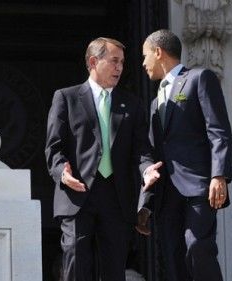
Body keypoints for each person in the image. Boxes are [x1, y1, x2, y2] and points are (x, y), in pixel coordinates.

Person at [45, 37, 161, 281]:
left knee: (114, 269)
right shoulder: (65, 98)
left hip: (116, 199)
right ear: (93, 62)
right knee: (76, 264)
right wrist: (61, 173)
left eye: (122, 63)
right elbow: (54, 149)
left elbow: (141, 150)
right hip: (77, 194)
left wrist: (147, 170)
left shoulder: (132, 104)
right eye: (114, 61)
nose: (120, 67)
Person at [138, 29, 232, 281]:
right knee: (173, 257)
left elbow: (219, 131)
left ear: (158, 52)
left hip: (199, 186)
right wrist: (145, 202)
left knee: (197, 247)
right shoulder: (155, 101)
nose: (143, 63)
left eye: (145, 56)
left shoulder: (199, 78)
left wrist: (219, 174)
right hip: (168, 194)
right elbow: (150, 152)